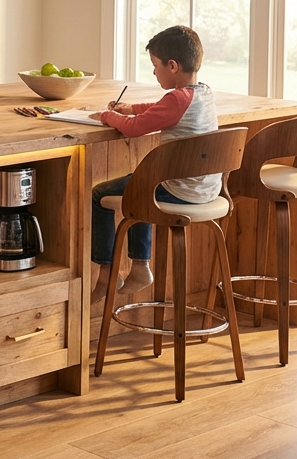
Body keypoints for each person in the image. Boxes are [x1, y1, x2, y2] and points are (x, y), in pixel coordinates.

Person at [88, 25, 220, 303]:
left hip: (179, 190)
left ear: (172, 66)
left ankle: (109, 274)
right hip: (206, 188)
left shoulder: (177, 98)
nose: (154, 71)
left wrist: (107, 116)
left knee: (101, 194)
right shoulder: (202, 93)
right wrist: (132, 108)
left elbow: (134, 129)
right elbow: (161, 109)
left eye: (155, 65)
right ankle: (137, 267)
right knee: (140, 182)